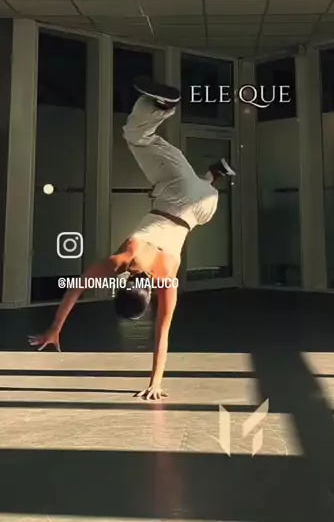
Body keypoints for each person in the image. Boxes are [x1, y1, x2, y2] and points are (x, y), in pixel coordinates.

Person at [29, 77, 235, 400]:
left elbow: (162, 333)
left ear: (149, 297)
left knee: (201, 185)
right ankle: (164, 107)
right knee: (136, 136)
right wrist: (54, 327)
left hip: (203, 209)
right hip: (176, 193)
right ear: (122, 286)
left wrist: (156, 382)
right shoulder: (124, 259)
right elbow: (76, 288)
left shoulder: (167, 282)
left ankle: (216, 173)